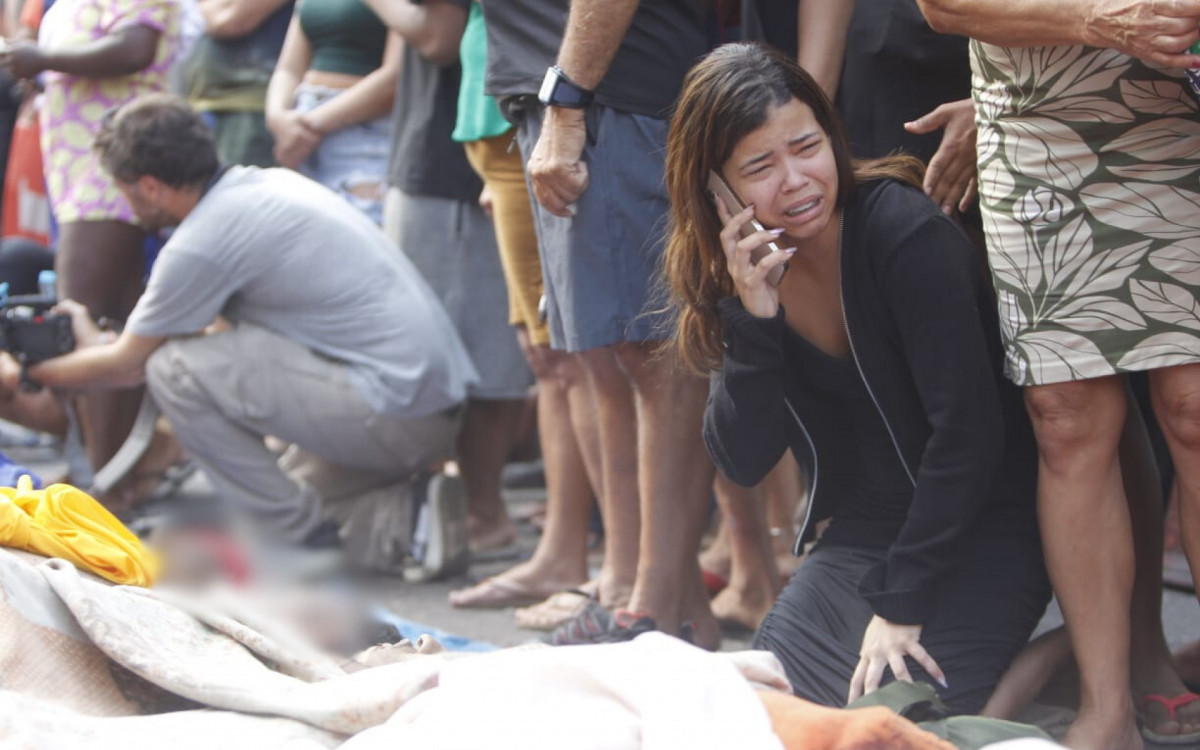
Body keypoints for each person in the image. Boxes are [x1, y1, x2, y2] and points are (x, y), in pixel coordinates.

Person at [663, 42, 1050, 712]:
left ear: (831, 135)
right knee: (766, 710)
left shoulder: (901, 234)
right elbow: (743, 458)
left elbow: (970, 438)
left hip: (985, 521)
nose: (795, 179)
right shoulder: (743, 271)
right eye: (760, 166)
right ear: (717, 192)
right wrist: (756, 320)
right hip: (869, 531)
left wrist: (901, 604)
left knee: (894, 721)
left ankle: (1056, 655)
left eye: (806, 146)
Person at [1, 94, 479, 577]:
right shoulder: (266, 184)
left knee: (175, 370)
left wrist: (23, 369)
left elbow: (128, 366)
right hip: (422, 405)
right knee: (265, 501)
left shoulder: (203, 240)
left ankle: (302, 545)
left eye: (124, 191)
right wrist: (87, 340)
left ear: (150, 186)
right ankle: (412, 515)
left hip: (393, 409)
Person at [910, 3, 1200, 748]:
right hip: (1040, 122)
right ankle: (1106, 710)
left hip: (1183, 113)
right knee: (1066, 416)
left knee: (1195, 409)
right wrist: (1100, 20)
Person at [481, 0, 718, 647]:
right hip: (573, 90)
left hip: (607, 90)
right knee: (606, 358)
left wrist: (567, 98)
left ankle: (649, 611)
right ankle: (667, 604)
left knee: (650, 351)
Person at [361, 0, 533, 558]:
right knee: (429, 360)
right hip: (434, 158)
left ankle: (482, 516)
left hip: (462, 164)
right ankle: (448, 517)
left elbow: (439, 36)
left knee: (486, 362)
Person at [0, 0, 179, 504]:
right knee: (97, 324)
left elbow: (135, 48)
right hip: (80, 172)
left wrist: (44, 59)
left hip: (109, 174)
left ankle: (104, 484)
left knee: (81, 322)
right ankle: (111, 476)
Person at [264, 0, 401, 224]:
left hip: (363, 136)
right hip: (302, 131)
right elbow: (288, 68)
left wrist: (311, 124)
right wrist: (277, 116)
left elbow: (395, 77)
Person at [182, 0, 294, 167]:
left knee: (239, 188)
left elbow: (229, 20)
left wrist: (190, 11)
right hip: (205, 104)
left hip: (250, 109)